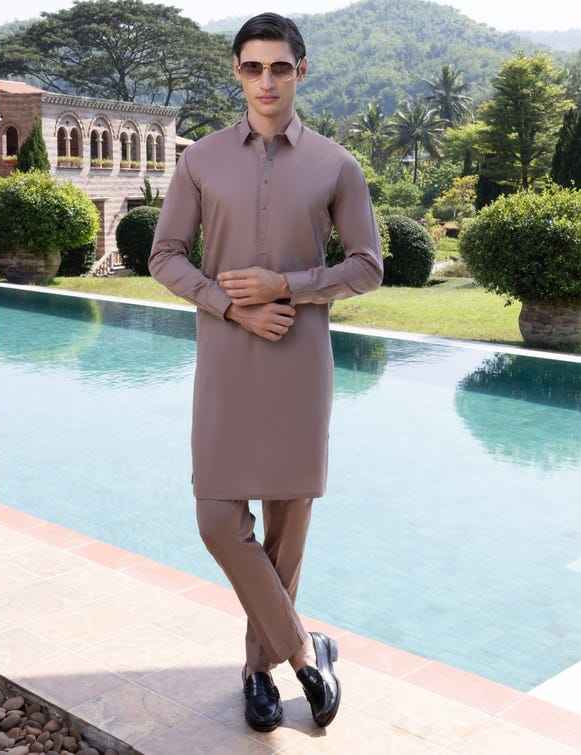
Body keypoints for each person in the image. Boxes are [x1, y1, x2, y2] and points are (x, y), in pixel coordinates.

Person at [148, 11, 384, 733]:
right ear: (237, 73)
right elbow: (165, 255)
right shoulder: (201, 160)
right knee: (217, 518)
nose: (266, 81)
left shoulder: (336, 165)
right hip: (226, 358)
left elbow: (367, 265)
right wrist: (229, 305)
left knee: (287, 526)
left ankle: (258, 670)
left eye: (279, 67)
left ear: (300, 71)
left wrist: (287, 285)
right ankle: (306, 650)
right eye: (253, 68)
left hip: (298, 364)